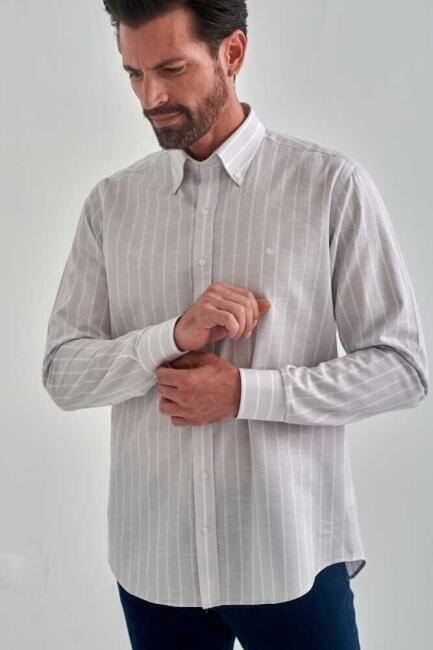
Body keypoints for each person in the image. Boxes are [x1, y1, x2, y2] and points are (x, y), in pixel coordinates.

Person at [41, 1, 429, 648]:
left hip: (289, 558)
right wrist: (170, 336)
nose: (151, 97)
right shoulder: (111, 204)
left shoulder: (329, 187)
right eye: (134, 74)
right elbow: (62, 374)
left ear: (233, 53)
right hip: (155, 564)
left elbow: (401, 368)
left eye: (171, 69)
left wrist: (245, 393)